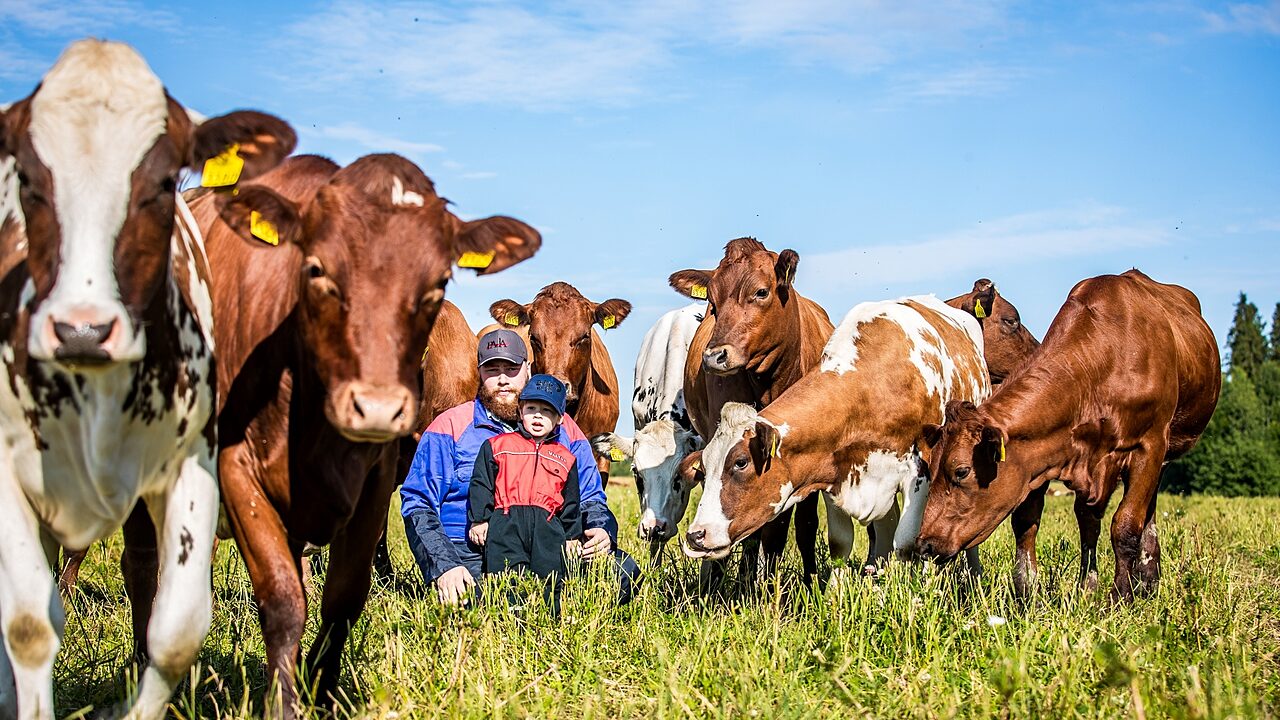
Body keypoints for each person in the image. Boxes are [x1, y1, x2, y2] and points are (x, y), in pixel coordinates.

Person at [401, 328, 640, 605]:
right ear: (479, 372)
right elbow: (418, 503)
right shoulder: (450, 426)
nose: (502, 380)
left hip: (550, 545)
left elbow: (590, 497)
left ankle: (563, 609)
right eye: (492, 370)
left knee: (622, 574)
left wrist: (601, 530)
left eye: (511, 368)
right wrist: (444, 566)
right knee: (485, 602)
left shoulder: (564, 429)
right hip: (471, 549)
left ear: (527, 368)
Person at [469, 375, 582, 610]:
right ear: (520, 411)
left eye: (547, 411)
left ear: (560, 419)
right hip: (505, 523)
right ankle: (508, 622)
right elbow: (481, 484)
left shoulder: (565, 458)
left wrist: (572, 536)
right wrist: (479, 519)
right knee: (506, 578)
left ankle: (546, 624)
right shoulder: (497, 446)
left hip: (547, 527)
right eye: (532, 408)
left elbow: (571, 503)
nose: (538, 416)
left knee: (550, 579)